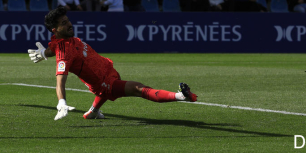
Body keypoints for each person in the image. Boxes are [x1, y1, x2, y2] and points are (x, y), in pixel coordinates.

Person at [27, 7, 197, 120]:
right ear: (55, 30)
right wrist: (62, 101)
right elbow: (60, 79)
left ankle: (92, 112)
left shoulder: (62, 41)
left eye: (68, 20)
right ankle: (182, 96)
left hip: (106, 71)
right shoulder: (64, 52)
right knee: (138, 88)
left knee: (110, 92)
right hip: (104, 83)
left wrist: (43, 53)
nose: (69, 24)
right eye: (63, 23)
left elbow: (53, 47)